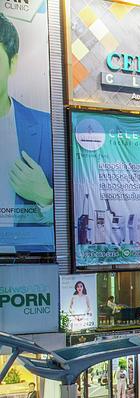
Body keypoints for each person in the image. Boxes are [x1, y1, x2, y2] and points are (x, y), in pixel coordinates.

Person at [0, 15, 53, 253]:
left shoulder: (47, 128)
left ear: (13, 62)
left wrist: (46, 198)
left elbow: (81, 214)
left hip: (33, 266)